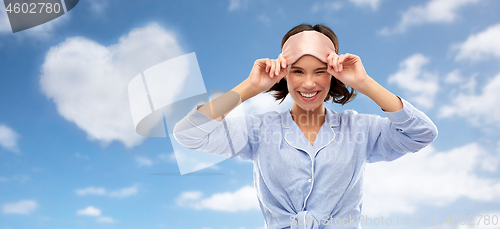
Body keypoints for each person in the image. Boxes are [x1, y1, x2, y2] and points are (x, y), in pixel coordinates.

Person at [173, 24, 438, 229]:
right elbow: (188, 134)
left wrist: (364, 83)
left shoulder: (360, 129)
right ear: (284, 73)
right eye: (298, 71)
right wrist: (249, 88)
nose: (309, 83)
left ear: (333, 72)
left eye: (319, 71)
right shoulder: (259, 130)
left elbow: (422, 133)